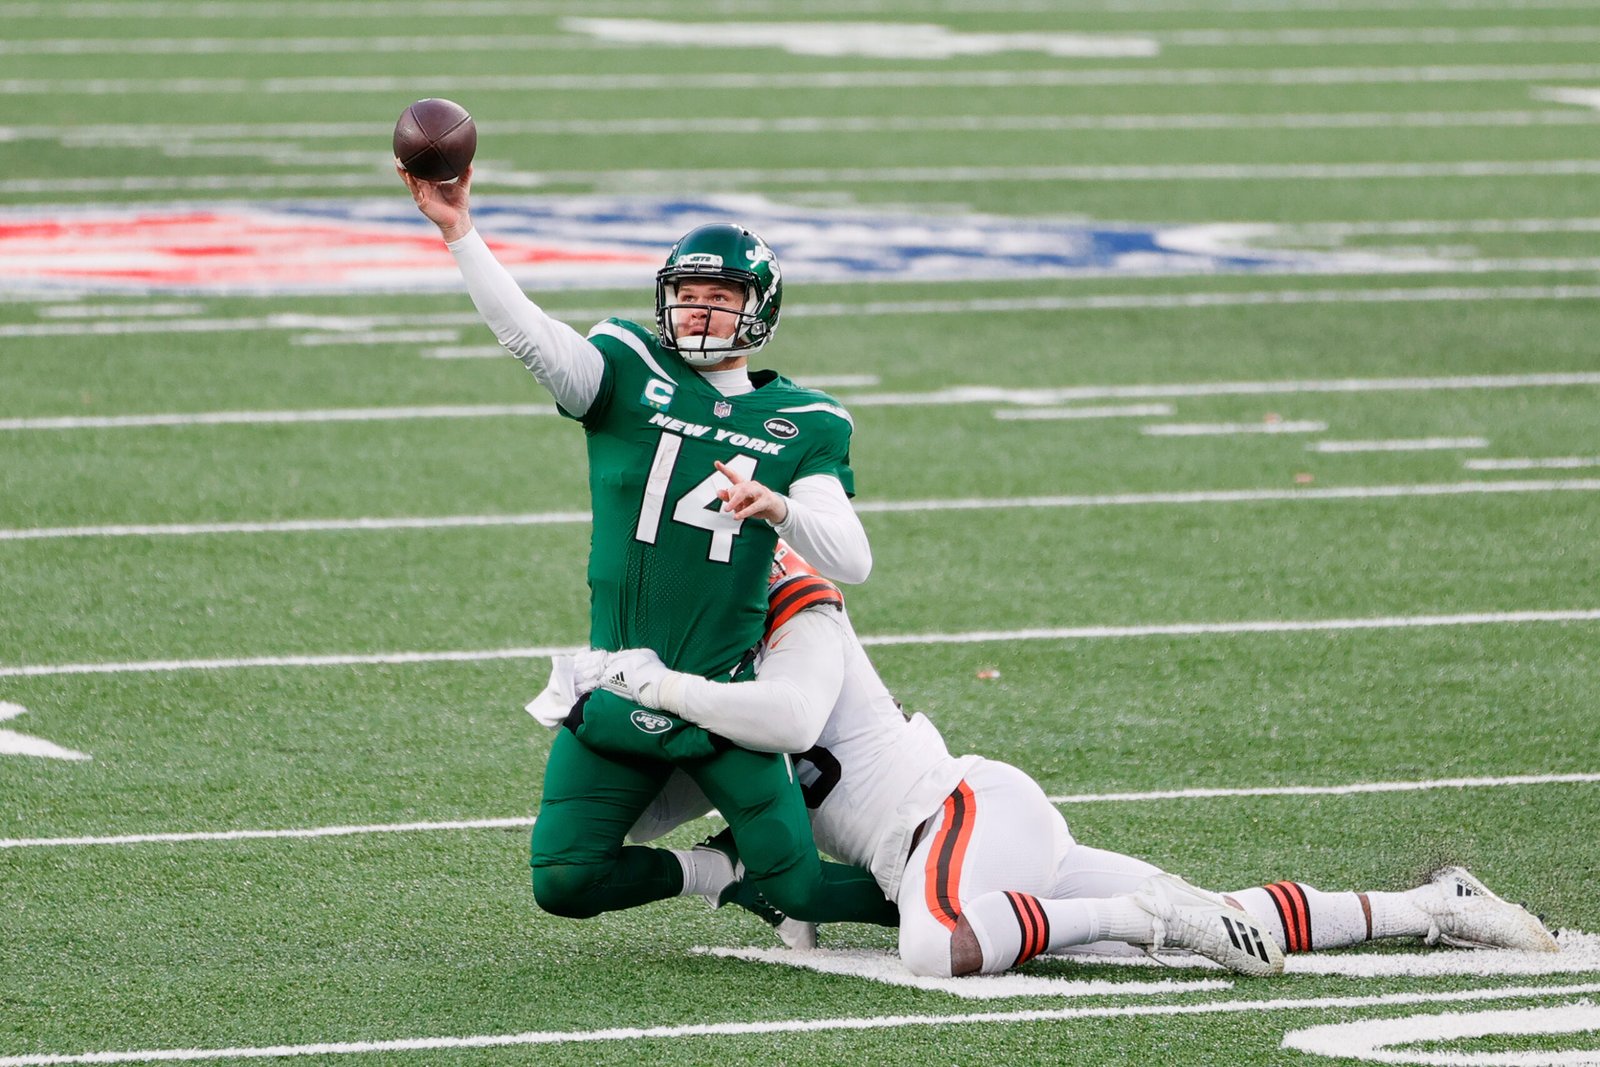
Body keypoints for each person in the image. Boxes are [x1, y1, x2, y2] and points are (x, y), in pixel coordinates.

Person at [592, 543, 1562, 977]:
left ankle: (1146, 917)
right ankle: (1435, 904)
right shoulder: (709, 689)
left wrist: (671, 694)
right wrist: (625, 725)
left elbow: (790, 714)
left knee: (934, 945)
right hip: (980, 844)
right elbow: (633, 820)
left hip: (956, 812)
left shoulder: (787, 628)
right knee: (1228, 918)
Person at [400, 163, 893, 931]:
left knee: (800, 889)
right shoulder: (627, 366)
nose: (699, 311)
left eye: (720, 296)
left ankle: (954, 897)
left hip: (728, 693)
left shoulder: (805, 420)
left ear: (758, 310)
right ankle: (718, 868)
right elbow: (531, 337)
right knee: (564, 878)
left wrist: (781, 506)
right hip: (622, 679)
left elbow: (853, 558)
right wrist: (459, 231)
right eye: (688, 295)